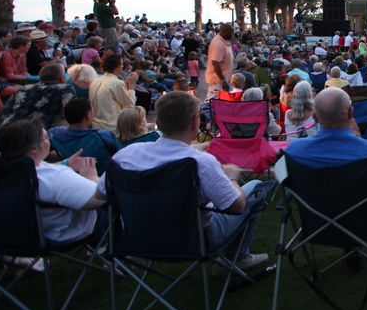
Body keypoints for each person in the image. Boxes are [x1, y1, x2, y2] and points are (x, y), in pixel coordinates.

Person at [97, 91, 274, 271]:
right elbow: (236, 206)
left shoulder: (126, 156)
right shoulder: (200, 163)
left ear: (157, 121)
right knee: (254, 188)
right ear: (195, 121)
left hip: (139, 237)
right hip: (193, 240)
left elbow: (100, 195)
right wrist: (231, 176)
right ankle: (237, 258)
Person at [0, 118, 106, 245]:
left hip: (11, 236)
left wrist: (65, 163)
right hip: (60, 234)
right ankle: (110, 248)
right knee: (115, 204)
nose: (49, 139)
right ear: (33, 148)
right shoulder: (55, 178)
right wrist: (91, 176)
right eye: (46, 137)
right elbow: (101, 197)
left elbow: (40, 169)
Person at [283, 87, 367, 190]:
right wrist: (360, 142)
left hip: (316, 215)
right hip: (364, 215)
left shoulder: (295, 150)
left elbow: (284, 179)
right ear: (351, 113)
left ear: (315, 117)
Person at [0, 63, 74, 128]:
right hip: (35, 134)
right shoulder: (65, 88)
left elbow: (3, 114)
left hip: (8, 130)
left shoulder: (23, 89)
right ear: (62, 78)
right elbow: (68, 116)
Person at [88, 52, 138, 132]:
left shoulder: (95, 82)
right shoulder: (117, 83)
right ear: (117, 67)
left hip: (96, 126)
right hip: (112, 128)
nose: (122, 66)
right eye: (121, 64)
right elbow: (130, 106)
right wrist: (131, 87)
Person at [205, 24, 235, 102]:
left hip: (224, 81)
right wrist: (223, 80)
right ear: (224, 32)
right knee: (213, 105)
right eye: (231, 33)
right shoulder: (218, 44)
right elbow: (215, 63)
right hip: (218, 83)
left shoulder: (224, 41)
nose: (232, 35)